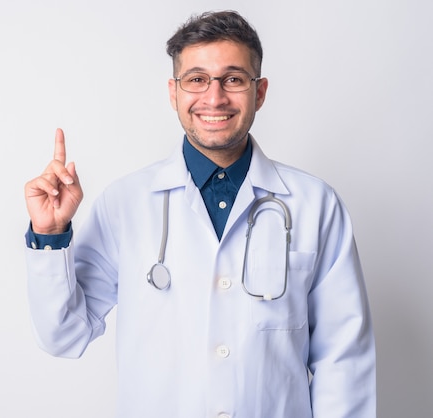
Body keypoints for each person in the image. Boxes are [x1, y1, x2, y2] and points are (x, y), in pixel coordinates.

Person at [23, 10, 376, 418]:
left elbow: (343, 361)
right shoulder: (125, 203)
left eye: (233, 79)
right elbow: (63, 336)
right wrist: (49, 234)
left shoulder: (315, 205)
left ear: (259, 92)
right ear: (173, 93)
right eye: (196, 79)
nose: (214, 97)